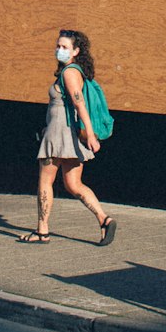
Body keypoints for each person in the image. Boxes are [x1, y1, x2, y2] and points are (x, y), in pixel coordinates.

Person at [19, 29, 117, 246]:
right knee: (74, 184)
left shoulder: (69, 73)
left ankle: (42, 231)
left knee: (46, 181)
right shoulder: (74, 71)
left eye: (64, 47)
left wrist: (90, 134)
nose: (59, 50)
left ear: (76, 51)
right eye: (58, 46)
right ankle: (104, 220)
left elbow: (78, 102)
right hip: (69, 137)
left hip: (59, 135)